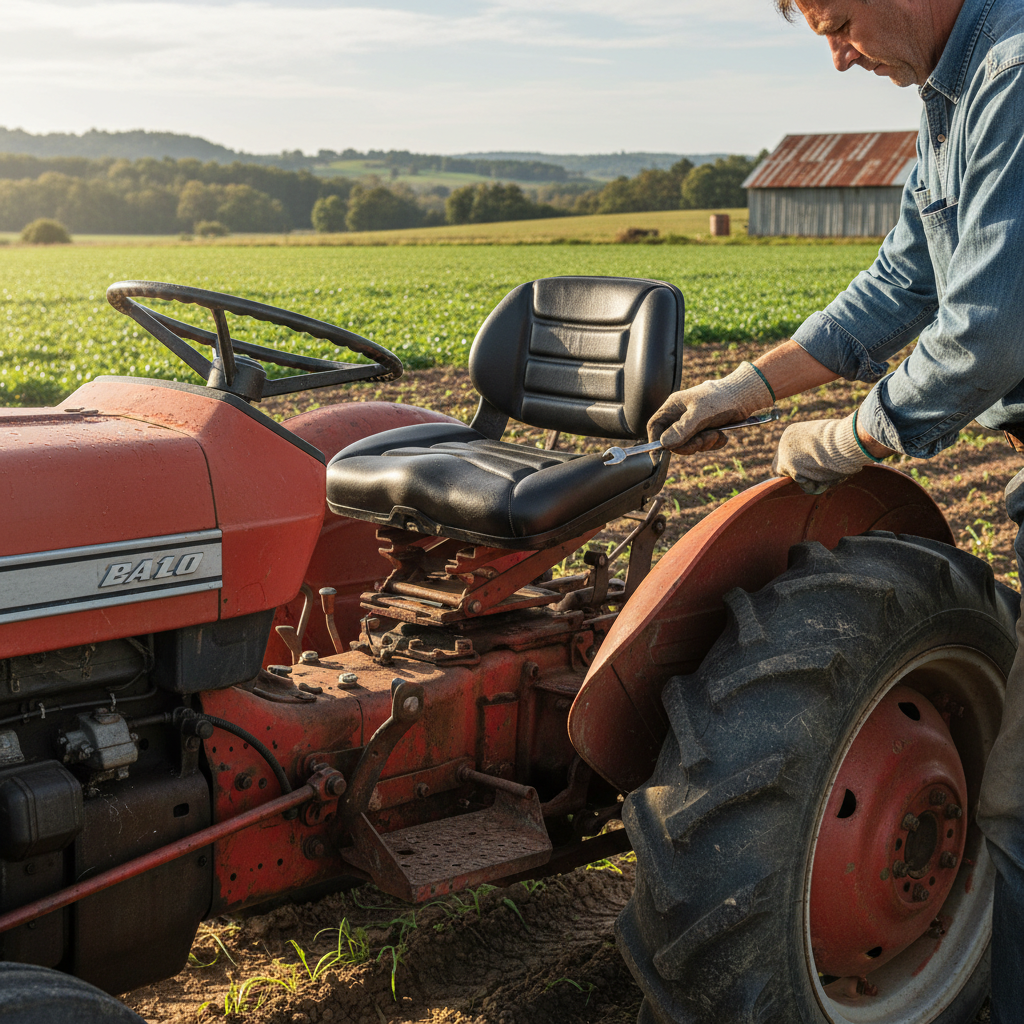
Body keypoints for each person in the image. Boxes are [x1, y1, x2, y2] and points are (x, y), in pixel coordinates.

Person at [646, 0, 1024, 1019]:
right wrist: (749, 387)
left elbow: (989, 332)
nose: (836, 58)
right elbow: (902, 278)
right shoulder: (953, 96)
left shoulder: (1015, 75)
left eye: (839, 20)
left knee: (1018, 808)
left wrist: (855, 435)